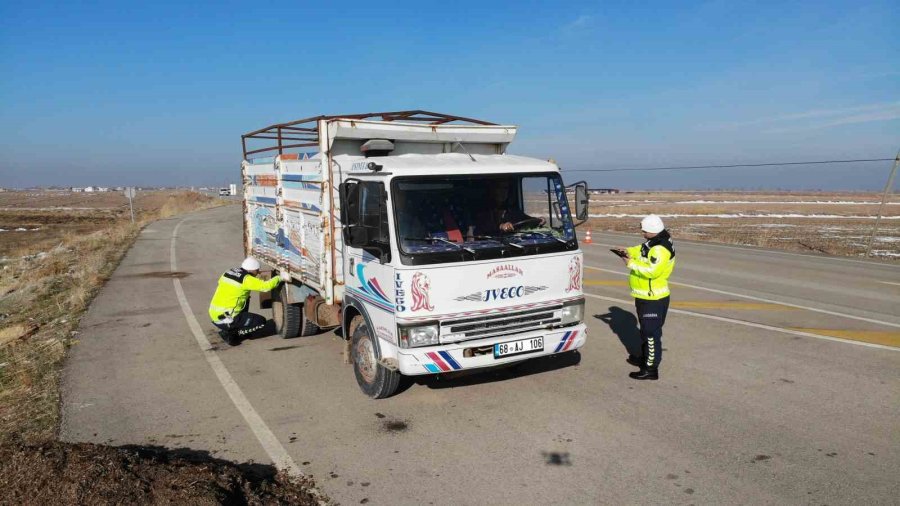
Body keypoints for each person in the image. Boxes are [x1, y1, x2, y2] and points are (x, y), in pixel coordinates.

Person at [613, 215, 676, 380]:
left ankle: (651, 369)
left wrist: (630, 263)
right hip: (644, 296)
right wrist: (627, 251)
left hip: (653, 298)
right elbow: (640, 250)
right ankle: (645, 357)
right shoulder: (652, 242)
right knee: (646, 331)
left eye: (644, 229)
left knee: (650, 333)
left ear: (652, 230)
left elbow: (653, 271)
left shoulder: (660, 248)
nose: (642, 231)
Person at [208, 257, 282, 345]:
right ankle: (231, 333)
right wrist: (280, 277)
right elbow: (265, 287)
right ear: (252, 269)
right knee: (260, 321)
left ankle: (235, 327)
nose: (258, 273)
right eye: (257, 270)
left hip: (214, 314)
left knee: (246, 298)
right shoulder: (246, 279)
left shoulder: (228, 272)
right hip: (227, 318)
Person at [474, 178, 544, 235]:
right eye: (499, 188)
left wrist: (537, 220)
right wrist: (501, 226)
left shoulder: (511, 210)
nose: (503, 192)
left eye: (505, 188)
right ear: (492, 190)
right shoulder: (483, 209)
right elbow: (484, 225)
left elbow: (524, 219)